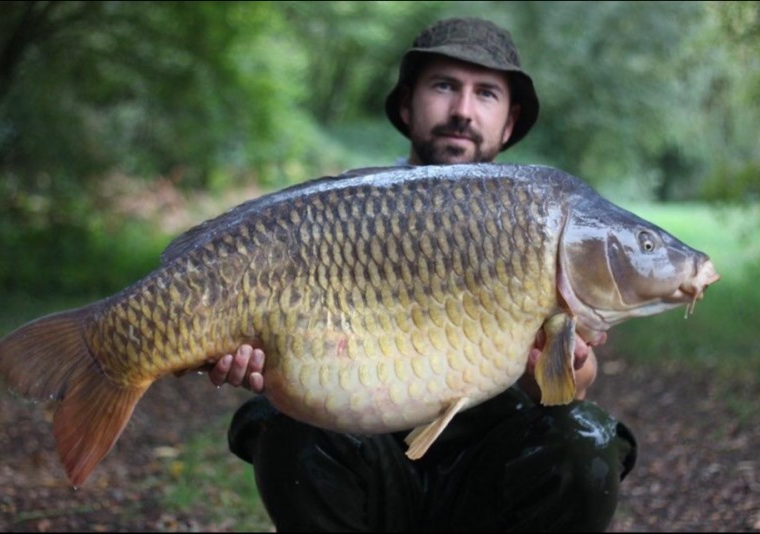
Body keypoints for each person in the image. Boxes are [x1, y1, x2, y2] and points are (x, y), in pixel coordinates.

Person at [208, 17, 637, 532]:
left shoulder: (541, 225)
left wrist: (550, 364)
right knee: (286, 427)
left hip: (488, 477)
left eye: (485, 93)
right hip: (370, 465)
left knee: (584, 438)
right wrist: (254, 355)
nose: (462, 110)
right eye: (444, 86)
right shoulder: (343, 214)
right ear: (407, 104)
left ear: (509, 122)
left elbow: (575, 386)